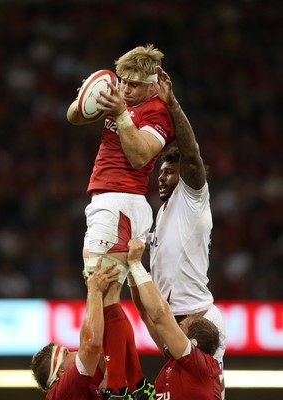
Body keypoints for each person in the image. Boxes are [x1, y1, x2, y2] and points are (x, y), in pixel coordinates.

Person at [66, 44, 175, 395]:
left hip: (119, 203)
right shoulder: (122, 98)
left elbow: (140, 152)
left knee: (102, 292)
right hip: (116, 205)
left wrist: (121, 113)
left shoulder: (158, 113)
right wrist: (94, 96)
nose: (125, 89)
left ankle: (119, 386)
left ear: (152, 84)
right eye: (122, 81)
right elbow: (73, 116)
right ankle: (132, 382)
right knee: (110, 294)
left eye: (133, 85)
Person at [147, 66, 226, 396]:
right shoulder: (160, 216)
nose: (162, 178)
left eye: (170, 172)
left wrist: (172, 105)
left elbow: (191, 155)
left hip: (198, 321)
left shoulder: (192, 198)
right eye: (160, 172)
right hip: (172, 325)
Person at [31, 258, 155, 400]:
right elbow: (91, 346)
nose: (75, 351)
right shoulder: (63, 392)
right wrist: (94, 291)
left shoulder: (83, 385)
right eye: (66, 354)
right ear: (60, 372)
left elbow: (105, 342)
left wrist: (97, 292)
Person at [127, 238, 222, 400]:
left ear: (193, 343)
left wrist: (136, 264)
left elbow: (159, 315)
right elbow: (145, 313)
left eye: (181, 327)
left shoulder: (200, 365)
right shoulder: (180, 362)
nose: (175, 327)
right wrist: (131, 273)